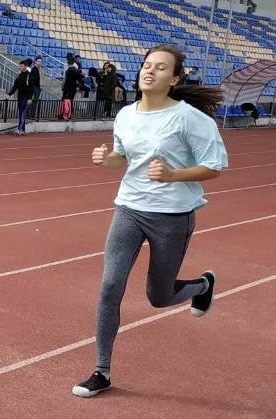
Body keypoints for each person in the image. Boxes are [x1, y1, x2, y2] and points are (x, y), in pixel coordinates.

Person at [73, 44, 227, 398]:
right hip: (128, 208)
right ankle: (101, 371)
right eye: (146, 65)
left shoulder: (190, 118)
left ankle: (202, 286)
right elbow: (122, 159)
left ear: (173, 79)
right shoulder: (126, 115)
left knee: (158, 296)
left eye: (160, 68)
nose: (150, 71)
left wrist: (175, 176)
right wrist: (106, 159)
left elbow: (214, 167)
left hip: (172, 216)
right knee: (110, 286)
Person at [8, 58, 39, 135]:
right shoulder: (19, 76)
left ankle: (19, 129)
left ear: (25, 66)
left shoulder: (29, 76)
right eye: (19, 66)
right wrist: (9, 94)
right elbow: (15, 86)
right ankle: (23, 130)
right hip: (20, 97)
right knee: (21, 113)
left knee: (22, 113)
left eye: (21, 66)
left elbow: (31, 88)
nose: (20, 67)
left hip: (26, 98)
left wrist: (30, 98)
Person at [61, 54, 84, 122]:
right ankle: (65, 113)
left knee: (68, 100)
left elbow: (78, 78)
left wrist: (78, 86)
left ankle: (68, 114)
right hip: (69, 86)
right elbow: (79, 78)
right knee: (67, 100)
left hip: (69, 87)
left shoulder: (71, 69)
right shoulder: (72, 69)